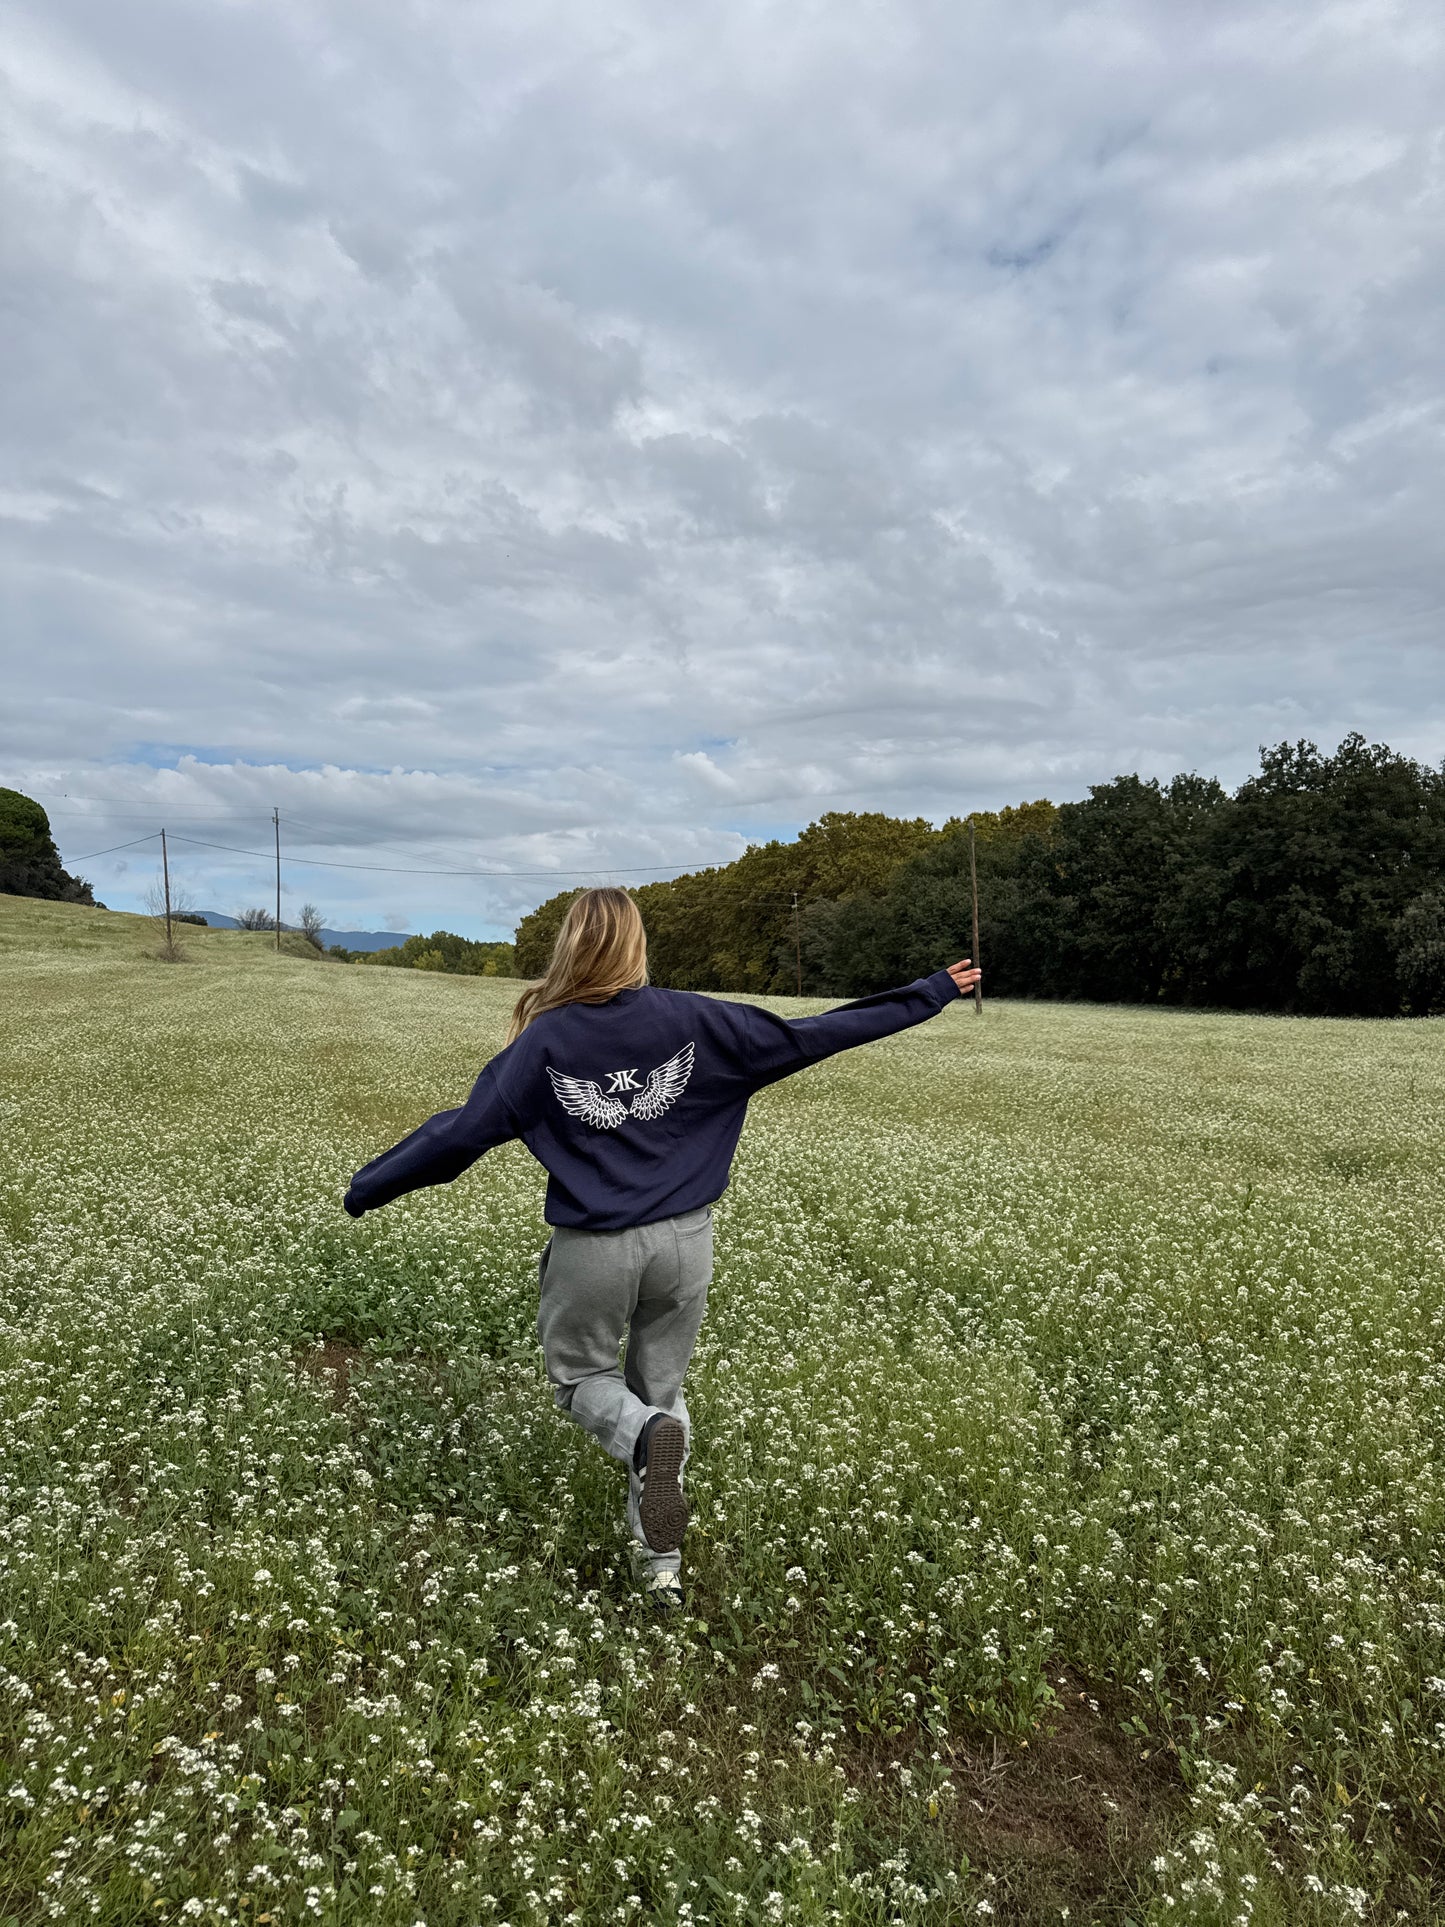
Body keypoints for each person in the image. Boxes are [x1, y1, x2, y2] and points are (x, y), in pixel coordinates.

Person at [343, 887, 980, 1612]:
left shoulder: (545, 1042)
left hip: (595, 1248)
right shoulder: (694, 1019)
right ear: (636, 945)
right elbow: (812, 1034)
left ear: (571, 945)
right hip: (686, 1242)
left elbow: (459, 1133)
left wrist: (368, 1185)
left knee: (583, 1380)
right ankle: (661, 1570)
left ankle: (644, 1435)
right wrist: (926, 993)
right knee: (663, 1393)